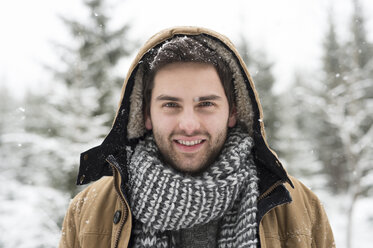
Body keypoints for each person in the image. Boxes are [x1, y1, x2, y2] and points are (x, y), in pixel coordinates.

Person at [59, 27, 335, 248]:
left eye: (206, 104)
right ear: (145, 115)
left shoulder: (298, 207)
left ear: (233, 112)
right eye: (170, 105)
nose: (189, 125)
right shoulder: (89, 210)